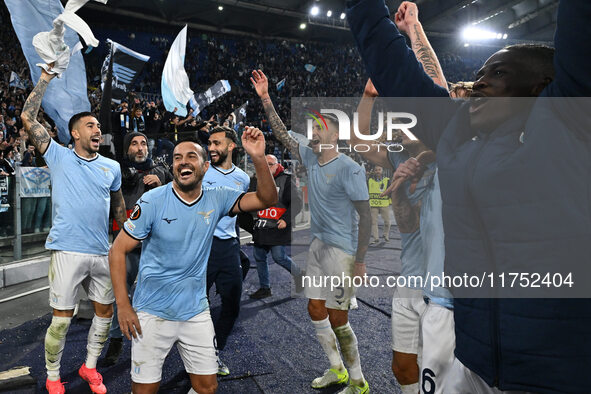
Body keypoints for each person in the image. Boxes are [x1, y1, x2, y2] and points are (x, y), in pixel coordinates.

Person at [347, 0, 591, 392]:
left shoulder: (574, 127)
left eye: (496, 73)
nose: (478, 83)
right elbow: (394, 68)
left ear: (543, 87)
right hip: (474, 362)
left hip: (560, 370)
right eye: (479, 73)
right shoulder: (458, 134)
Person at [109, 129, 277, 394]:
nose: (183, 161)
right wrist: (123, 305)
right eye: (177, 158)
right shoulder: (153, 200)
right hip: (152, 312)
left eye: (190, 156)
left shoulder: (218, 197)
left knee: (207, 387)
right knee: (144, 391)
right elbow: (117, 251)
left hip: (195, 312)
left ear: (205, 166)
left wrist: (258, 157)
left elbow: (267, 199)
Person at [252, 69, 371, 394]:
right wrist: (265, 98)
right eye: (313, 128)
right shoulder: (309, 154)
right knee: (315, 308)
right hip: (319, 249)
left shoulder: (349, 168)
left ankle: (358, 381)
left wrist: (360, 261)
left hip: (343, 253)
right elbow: (281, 132)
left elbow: (366, 217)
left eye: (321, 128)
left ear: (335, 136)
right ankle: (337, 370)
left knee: (338, 318)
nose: (314, 132)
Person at [21, 68, 127, 394]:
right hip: (67, 249)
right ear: (75, 134)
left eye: (98, 125)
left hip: (101, 251)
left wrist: (126, 243)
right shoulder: (59, 156)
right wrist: (46, 78)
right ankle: (53, 377)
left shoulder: (112, 167)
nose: (97, 129)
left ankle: (89, 367)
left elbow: (120, 209)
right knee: (62, 319)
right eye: (90, 125)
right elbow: (27, 116)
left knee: (105, 315)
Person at [102, 131, 172, 366]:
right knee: (119, 292)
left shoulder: (161, 171)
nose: (141, 148)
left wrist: (163, 185)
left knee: (156, 294)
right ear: (126, 148)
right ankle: (115, 339)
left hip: (155, 245)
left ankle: (156, 339)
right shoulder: (117, 172)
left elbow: (181, 199)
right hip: (126, 244)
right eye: (134, 143)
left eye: (144, 143)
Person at [202, 125, 250, 376]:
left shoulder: (242, 178)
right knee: (198, 306)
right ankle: (198, 355)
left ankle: (214, 352)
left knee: (232, 305)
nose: (211, 148)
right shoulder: (201, 170)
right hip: (201, 246)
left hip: (229, 246)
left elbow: (240, 212)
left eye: (217, 143)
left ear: (231, 146)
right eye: (209, 143)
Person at [248, 154, 302, 299]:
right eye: (264, 164)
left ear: (278, 165)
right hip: (261, 227)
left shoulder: (286, 179)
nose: (267, 167)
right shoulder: (256, 180)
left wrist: (285, 219)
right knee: (259, 256)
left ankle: (300, 275)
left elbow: (297, 202)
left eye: (270, 164)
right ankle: (265, 288)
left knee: (279, 257)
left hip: (278, 227)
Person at [367, 166, 391, 244]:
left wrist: (389, 200)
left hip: (384, 203)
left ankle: (385, 235)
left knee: (387, 222)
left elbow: (390, 191)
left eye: (379, 170)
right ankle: (376, 238)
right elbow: (366, 191)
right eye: (376, 170)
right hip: (373, 204)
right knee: (373, 222)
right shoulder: (369, 180)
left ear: (382, 171)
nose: (378, 171)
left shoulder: (387, 180)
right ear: (374, 171)